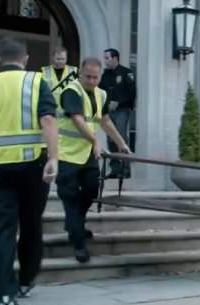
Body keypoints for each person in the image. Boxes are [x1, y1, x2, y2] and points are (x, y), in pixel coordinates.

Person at [0, 37, 59, 305]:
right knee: (31, 224)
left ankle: (4, 295)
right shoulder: (36, 81)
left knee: (2, 229)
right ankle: (25, 281)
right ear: (26, 58)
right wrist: (54, 157)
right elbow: (48, 119)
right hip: (33, 164)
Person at [56, 57, 132, 263]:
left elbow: (105, 120)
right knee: (70, 199)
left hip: (87, 155)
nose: (91, 81)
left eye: (95, 77)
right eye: (87, 76)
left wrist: (121, 143)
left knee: (91, 190)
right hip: (66, 155)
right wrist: (96, 141)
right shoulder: (71, 91)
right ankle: (79, 244)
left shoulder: (101, 94)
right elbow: (78, 119)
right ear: (80, 73)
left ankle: (74, 224)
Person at [99, 48, 136, 178]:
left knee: (121, 137)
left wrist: (118, 103)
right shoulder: (104, 75)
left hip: (122, 110)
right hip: (108, 112)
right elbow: (100, 92)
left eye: (107, 58)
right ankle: (115, 169)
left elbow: (132, 93)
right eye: (104, 58)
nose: (105, 60)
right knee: (111, 139)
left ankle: (125, 170)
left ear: (115, 58)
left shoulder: (126, 73)